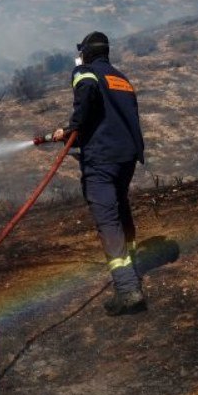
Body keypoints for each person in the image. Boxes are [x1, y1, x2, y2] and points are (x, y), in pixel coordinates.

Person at [45, 31, 147, 316]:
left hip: (102, 160)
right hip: (125, 156)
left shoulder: (85, 72)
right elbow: (109, 119)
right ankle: (132, 266)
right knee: (121, 209)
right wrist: (71, 135)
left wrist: (73, 125)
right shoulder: (120, 79)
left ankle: (128, 290)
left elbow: (87, 94)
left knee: (107, 219)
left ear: (87, 52)